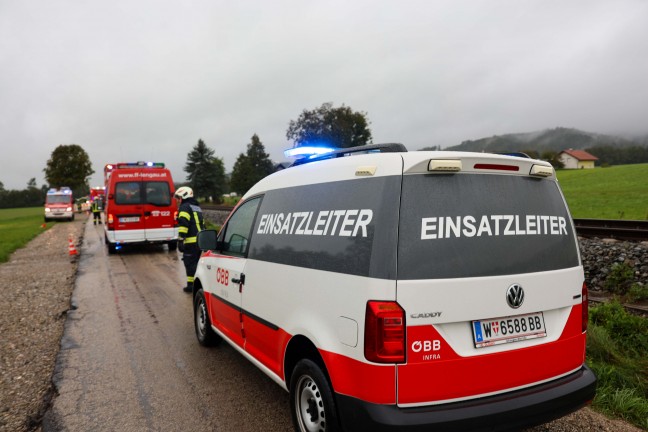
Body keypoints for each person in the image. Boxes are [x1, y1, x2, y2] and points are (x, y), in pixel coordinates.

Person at [174, 186, 206, 293]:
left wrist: (180, 240)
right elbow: (202, 223)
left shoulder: (184, 207)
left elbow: (184, 224)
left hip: (191, 241)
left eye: (178, 198)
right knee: (195, 263)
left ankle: (191, 286)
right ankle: (196, 284)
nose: (178, 201)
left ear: (184, 196)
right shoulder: (196, 207)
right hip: (199, 241)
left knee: (189, 263)